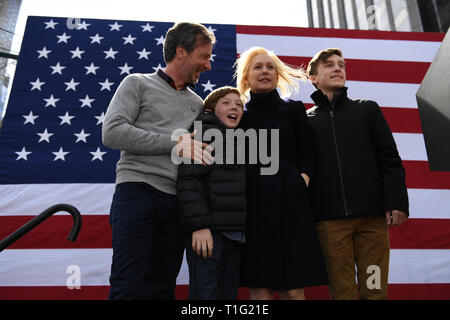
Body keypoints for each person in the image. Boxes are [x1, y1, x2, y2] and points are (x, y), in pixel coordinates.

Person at [102, 22, 215, 300]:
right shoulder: (137, 83)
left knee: (162, 288)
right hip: (135, 193)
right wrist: (176, 142)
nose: (208, 65)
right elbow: (112, 132)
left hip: (175, 204)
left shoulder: (198, 104)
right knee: (128, 285)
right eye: (204, 56)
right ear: (180, 52)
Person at [306, 48, 409, 300]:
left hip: (371, 222)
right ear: (314, 78)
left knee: (374, 288)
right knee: (343, 292)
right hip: (330, 223)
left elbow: (390, 160)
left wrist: (396, 202)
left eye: (341, 64)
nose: (337, 68)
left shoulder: (367, 110)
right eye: (329, 65)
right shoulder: (305, 120)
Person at [235, 46, 329, 300]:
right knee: (260, 288)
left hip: (292, 207)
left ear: (277, 75)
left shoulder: (294, 109)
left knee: (294, 288)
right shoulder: (238, 116)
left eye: (270, 67)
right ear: (246, 77)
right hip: (254, 211)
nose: (265, 71)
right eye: (258, 67)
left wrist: (302, 180)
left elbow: (307, 152)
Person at [177, 86, 246, 300]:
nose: (234, 107)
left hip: (234, 234)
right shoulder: (204, 132)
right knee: (205, 296)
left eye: (239, 104)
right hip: (210, 235)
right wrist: (199, 226)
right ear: (210, 110)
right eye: (226, 103)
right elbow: (189, 180)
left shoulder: (240, 139)